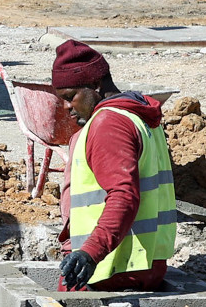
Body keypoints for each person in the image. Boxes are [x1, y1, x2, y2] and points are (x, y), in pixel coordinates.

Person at [48, 40, 176, 292]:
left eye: (70, 97)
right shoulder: (138, 116)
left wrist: (90, 253)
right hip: (143, 263)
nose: (66, 108)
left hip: (111, 268)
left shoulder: (109, 124)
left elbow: (123, 196)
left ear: (95, 85)